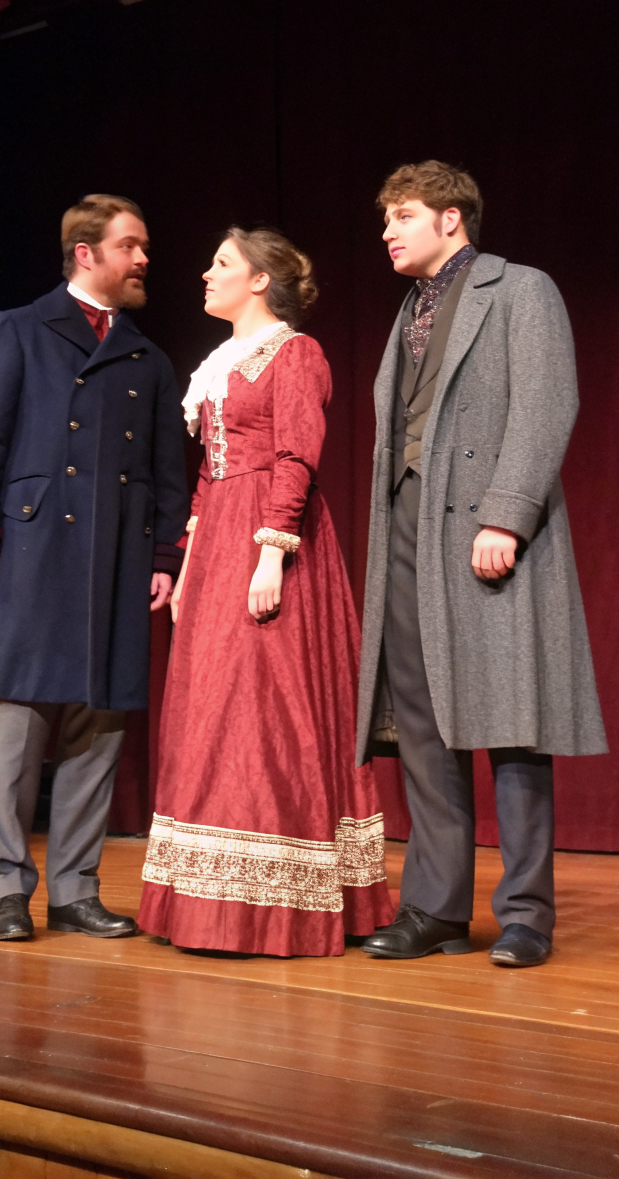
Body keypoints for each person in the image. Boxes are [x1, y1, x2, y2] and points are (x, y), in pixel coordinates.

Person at [357, 161, 607, 968]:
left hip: (486, 525)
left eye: (402, 215)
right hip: (408, 522)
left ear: (452, 218)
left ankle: (527, 913)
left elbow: (545, 402)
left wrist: (507, 513)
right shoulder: (409, 309)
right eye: (385, 218)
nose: (388, 230)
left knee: (514, 722)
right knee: (425, 723)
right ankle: (435, 907)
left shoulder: (520, 289)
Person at [138, 227, 395, 957]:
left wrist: (273, 553)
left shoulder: (295, 352)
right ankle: (206, 902)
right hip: (218, 538)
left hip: (268, 540)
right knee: (212, 707)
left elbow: (296, 454)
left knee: (263, 710)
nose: (206, 273)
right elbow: (208, 473)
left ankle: (274, 905)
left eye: (222, 263)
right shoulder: (220, 363)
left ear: (260, 281)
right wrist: (188, 564)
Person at [0, 194, 188, 941]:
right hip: (29, 551)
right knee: (16, 729)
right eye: (131, 245)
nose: (143, 258)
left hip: (115, 558)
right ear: (87, 252)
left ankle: (75, 889)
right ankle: (4, 889)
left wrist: (162, 557)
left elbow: (164, 472)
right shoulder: (20, 329)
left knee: (98, 729)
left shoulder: (148, 359)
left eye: (144, 246)